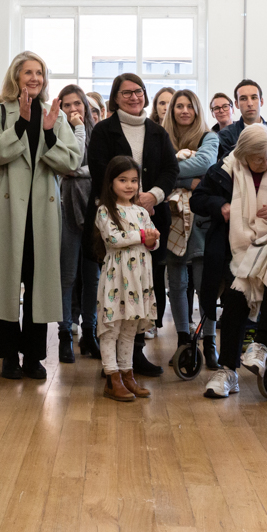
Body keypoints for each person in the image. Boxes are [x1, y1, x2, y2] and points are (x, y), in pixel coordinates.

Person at [0, 51, 81, 379]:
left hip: (42, 213)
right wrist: (20, 124)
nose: (35, 78)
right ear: (16, 76)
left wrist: (48, 133)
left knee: (39, 286)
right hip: (8, 209)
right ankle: (8, 355)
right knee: (6, 282)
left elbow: (71, 162)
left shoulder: (54, 113)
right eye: (28, 72)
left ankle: (34, 357)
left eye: (39, 72)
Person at [196, 124, 267, 399]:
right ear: (242, 155)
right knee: (234, 299)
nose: (264, 163)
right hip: (238, 250)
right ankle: (227, 370)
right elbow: (198, 199)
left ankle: (261, 345)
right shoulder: (224, 170)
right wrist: (220, 206)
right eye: (257, 159)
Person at [83, 72, 177, 377]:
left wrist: (153, 195)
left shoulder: (158, 131)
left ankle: (134, 356)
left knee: (147, 284)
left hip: (151, 212)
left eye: (139, 91)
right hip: (114, 213)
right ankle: (112, 364)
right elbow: (99, 170)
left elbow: (171, 169)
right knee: (117, 294)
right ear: (115, 97)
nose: (134, 97)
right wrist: (127, 199)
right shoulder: (103, 130)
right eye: (126, 92)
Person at [161, 89, 219, 368]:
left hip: (201, 222)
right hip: (171, 219)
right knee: (176, 284)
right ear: (172, 110)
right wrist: (188, 180)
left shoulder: (209, 137)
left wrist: (172, 175)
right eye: (179, 106)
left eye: (190, 106)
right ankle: (184, 341)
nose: (184, 111)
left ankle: (209, 342)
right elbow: (154, 169)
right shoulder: (161, 138)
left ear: (197, 110)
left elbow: (206, 163)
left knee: (204, 285)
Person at [94, 156, 159, 401]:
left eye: (133, 180)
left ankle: (127, 375)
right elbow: (113, 239)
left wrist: (151, 240)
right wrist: (142, 236)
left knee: (130, 329)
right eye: (123, 180)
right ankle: (112, 378)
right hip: (116, 277)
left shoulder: (141, 211)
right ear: (111, 182)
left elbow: (152, 239)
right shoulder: (104, 210)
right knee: (112, 328)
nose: (129, 185)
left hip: (138, 279)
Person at [55, 84, 97, 361]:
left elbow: (100, 167)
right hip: (64, 209)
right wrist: (75, 169)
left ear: (85, 105)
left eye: (77, 104)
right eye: (67, 105)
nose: (73, 109)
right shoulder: (57, 132)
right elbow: (64, 165)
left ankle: (89, 333)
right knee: (67, 275)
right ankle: (64, 334)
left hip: (93, 210)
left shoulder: (98, 132)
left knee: (92, 277)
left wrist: (78, 172)